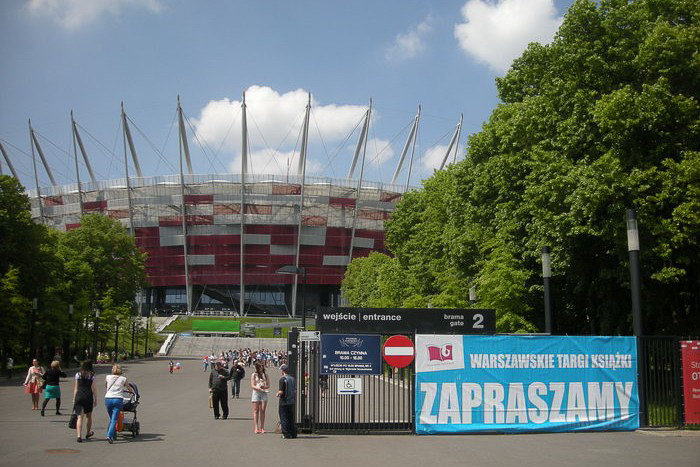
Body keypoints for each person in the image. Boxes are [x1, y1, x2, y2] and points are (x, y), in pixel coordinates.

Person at [72, 361, 97, 443]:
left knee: (79, 417)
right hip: (88, 396)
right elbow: (93, 389)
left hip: (79, 396)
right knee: (89, 416)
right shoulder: (92, 375)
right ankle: (88, 432)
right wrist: (95, 398)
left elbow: (76, 387)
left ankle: (79, 436)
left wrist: (74, 398)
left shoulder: (78, 375)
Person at [104, 364, 129, 444]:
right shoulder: (123, 379)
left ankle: (113, 435)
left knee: (111, 418)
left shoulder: (108, 377)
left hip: (108, 399)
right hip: (118, 399)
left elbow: (106, 386)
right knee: (114, 419)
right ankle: (109, 435)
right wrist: (131, 392)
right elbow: (128, 387)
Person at [276, 364, 297, 439]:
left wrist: (277, 393)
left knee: (284, 417)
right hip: (291, 401)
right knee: (290, 417)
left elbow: (281, 391)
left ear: (283, 371)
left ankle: (286, 433)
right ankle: (293, 433)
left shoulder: (282, 379)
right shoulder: (292, 379)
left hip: (284, 401)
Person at [251, 361, 270, 433]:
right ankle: (256, 427)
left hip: (264, 392)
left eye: (262, 366)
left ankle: (262, 427)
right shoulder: (254, 375)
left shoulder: (265, 375)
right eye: (260, 366)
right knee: (256, 410)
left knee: (263, 410)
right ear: (257, 367)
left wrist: (264, 387)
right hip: (256, 392)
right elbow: (252, 385)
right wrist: (258, 387)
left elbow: (268, 385)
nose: (261, 368)